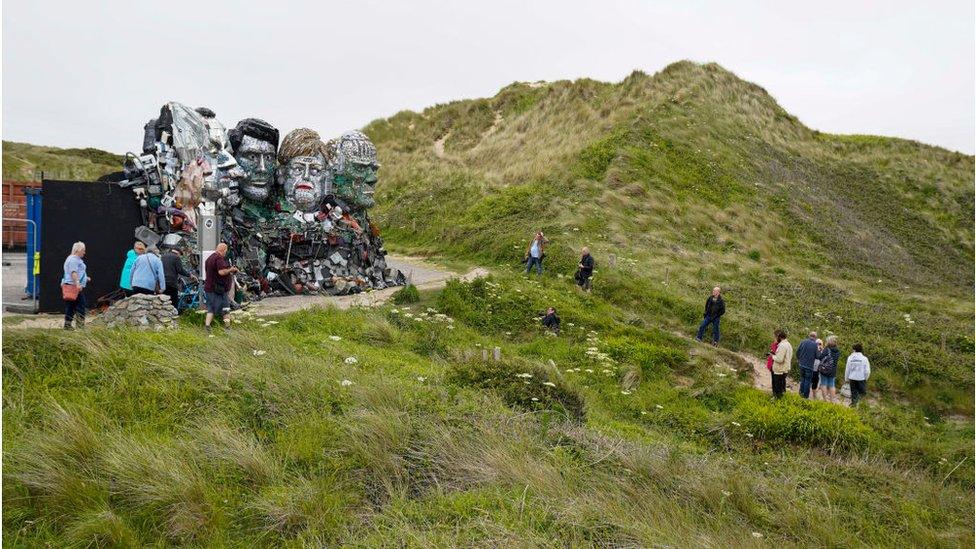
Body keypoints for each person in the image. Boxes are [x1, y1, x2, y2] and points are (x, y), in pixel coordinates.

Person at [204, 243, 239, 333]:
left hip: (210, 287)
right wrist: (231, 270)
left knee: (211, 308)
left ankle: (207, 327)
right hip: (218, 289)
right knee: (225, 308)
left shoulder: (210, 258)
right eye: (226, 251)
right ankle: (227, 328)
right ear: (223, 250)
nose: (226, 253)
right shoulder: (219, 258)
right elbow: (221, 272)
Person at [61, 241, 90, 330]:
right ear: (78, 250)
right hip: (73, 287)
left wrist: (85, 278)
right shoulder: (73, 260)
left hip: (71, 285)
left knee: (71, 306)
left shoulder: (72, 259)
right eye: (83, 250)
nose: (84, 252)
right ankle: (80, 326)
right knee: (81, 305)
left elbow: (76, 272)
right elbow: (73, 272)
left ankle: (67, 325)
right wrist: (77, 283)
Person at [817, 335, 841, 403]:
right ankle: (832, 400)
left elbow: (820, 357)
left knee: (824, 383)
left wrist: (821, 350)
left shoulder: (827, 349)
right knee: (832, 385)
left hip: (825, 369)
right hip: (833, 370)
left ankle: (825, 400)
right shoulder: (837, 350)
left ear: (829, 341)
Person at [769, 329, 792, 398]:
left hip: (779, 370)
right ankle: (780, 399)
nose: (775, 339)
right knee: (781, 386)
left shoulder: (782, 345)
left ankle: (777, 400)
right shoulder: (788, 344)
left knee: (777, 387)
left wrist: (772, 356)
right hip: (784, 368)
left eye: (776, 337)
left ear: (779, 337)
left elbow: (779, 359)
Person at [796, 331, 819, 399]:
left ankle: (800, 393)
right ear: (815, 337)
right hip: (809, 366)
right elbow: (817, 356)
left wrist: (799, 358)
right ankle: (805, 396)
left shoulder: (803, 341)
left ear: (809, 336)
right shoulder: (815, 345)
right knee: (807, 381)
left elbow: (798, 351)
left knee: (802, 379)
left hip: (801, 364)